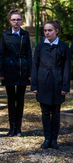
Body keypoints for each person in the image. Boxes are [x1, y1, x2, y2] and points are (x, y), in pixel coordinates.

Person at [31, 20, 71, 149]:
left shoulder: (64, 46)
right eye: (45, 31)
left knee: (56, 113)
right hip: (43, 82)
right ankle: (47, 138)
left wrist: (65, 86)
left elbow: (67, 67)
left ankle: (54, 139)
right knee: (45, 112)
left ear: (57, 31)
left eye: (50, 30)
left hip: (58, 82)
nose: (47, 33)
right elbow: (35, 66)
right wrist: (34, 85)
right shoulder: (40, 46)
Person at [0, 9, 32, 137]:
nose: (16, 22)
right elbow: (1, 54)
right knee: (11, 99)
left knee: (21, 99)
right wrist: (1, 71)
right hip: (9, 69)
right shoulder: (5, 35)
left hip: (22, 69)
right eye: (13, 19)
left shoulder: (25, 34)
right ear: (10, 21)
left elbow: (29, 53)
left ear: (21, 20)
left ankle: (18, 127)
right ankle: (11, 127)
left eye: (18, 19)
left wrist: (30, 71)